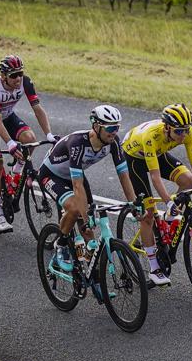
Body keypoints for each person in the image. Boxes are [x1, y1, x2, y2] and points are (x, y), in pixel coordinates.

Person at [122, 103, 192, 279]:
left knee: (187, 180)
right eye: (179, 131)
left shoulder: (187, 133)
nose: (183, 135)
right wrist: (168, 202)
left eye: (186, 130)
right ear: (166, 127)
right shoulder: (151, 136)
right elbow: (155, 177)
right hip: (134, 158)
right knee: (148, 215)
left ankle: (167, 219)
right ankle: (154, 268)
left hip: (157, 152)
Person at [39, 103, 133, 254]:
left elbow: (124, 175)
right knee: (76, 210)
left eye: (117, 127)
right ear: (96, 127)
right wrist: (86, 217)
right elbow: (77, 185)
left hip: (74, 174)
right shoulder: (78, 143)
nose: (114, 133)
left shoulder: (113, 142)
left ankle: (88, 263)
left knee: (89, 233)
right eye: (110, 128)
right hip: (51, 175)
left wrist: (133, 204)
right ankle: (61, 245)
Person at [0, 55, 53, 231]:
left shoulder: (25, 82)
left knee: (30, 140)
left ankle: (15, 173)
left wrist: (49, 134)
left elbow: (38, 109)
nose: (18, 78)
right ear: (3, 76)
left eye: (20, 73)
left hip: (8, 116)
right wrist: (9, 143)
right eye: (13, 75)